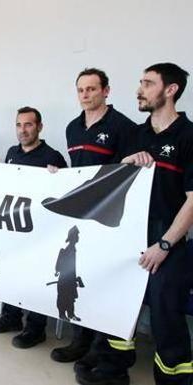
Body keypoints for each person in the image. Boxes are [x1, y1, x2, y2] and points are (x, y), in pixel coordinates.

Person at [76, 63, 193, 385]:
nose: (139, 89)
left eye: (147, 83)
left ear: (170, 90)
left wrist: (165, 245)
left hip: (168, 240)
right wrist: (125, 164)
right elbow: (115, 184)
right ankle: (113, 370)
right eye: (140, 82)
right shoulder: (135, 135)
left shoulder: (188, 136)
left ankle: (173, 379)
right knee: (115, 300)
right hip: (130, 236)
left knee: (165, 309)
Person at [51, 68, 138, 365]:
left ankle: (101, 345)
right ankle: (80, 340)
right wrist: (58, 176)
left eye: (91, 89)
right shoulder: (72, 127)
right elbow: (78, 171)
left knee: (103, 281)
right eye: (81, 90)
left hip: (109, 217)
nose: (86, 95)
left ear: (106, 91)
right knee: (77, 276)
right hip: (80, 218)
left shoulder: (124, 127)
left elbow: (130, 175)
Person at [0, 106, 67, 348]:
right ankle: (11, 317)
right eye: (19, 125)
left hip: (40, 233)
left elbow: (63, 194)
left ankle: (36, 327)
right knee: (11, 272)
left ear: (39, 127)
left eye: (28, 125)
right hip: (13, 228)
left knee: (36, 278)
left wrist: (58, 176)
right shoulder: (11, 152)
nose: (23, 130)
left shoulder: (53, 156)